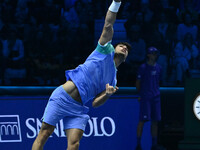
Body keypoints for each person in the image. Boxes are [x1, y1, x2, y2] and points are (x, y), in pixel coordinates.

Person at [32, 0, 131, 150]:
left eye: (127, 49)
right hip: (62, 97)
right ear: (113, 47)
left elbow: (95, 103)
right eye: (121, 45)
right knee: (45, 133)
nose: (124, 47)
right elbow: (109, 24)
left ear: (126, 58)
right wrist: (116, 3)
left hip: (78, 108)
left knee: (74, 144)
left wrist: (107, 95)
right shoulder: (105, 50)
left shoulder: (113, 79)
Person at [135, 47, 162, 150]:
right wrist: (141, 94)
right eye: (153, 53)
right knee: (142, 120)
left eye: (156, 53)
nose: (155, 55)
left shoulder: (159, 68)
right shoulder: (143, 68)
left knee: (155, 121)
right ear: (148, 55)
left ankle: (154, 145)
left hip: (156, 98)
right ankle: (138, 145)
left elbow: (159, 81)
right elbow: (138, 83)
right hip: (146, 98)